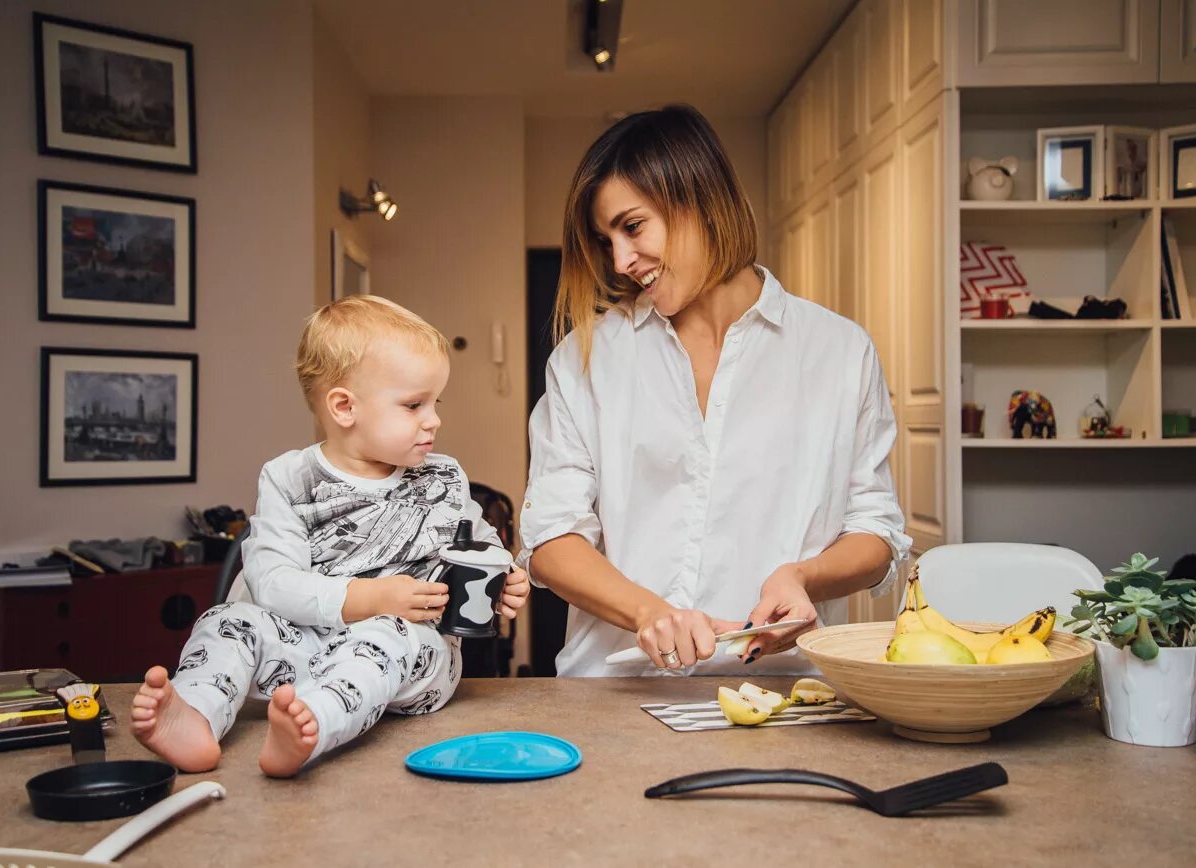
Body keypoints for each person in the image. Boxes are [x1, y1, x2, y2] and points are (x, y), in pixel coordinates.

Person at [519, 104, 910, 677]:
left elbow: (875, 532)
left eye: (632, 227)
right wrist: (651, 613)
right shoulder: (585, 359)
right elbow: (551, 540)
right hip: (613, 693)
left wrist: (802, 576)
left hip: (782, 691)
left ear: (699, 197)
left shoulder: (839, 351)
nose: (622, 262)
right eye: (607, 241)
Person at [131, 296, 530, 776]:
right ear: (344, 407)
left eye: (434, 402)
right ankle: (195, 713)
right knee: (228, 619)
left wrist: (503, 572)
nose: (434, 419)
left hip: (414, 660)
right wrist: (370, 595)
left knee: (391, 632)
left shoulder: (442, 477)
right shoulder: (289, 479)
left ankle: (312, 726)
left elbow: (480, 540)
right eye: (413, 405)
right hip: (302, 652)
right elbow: (272, 582)